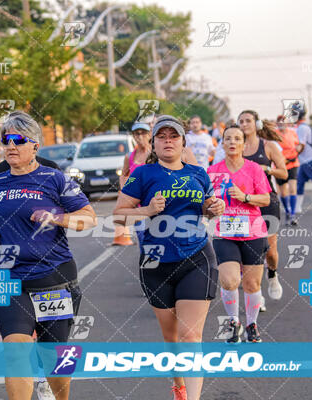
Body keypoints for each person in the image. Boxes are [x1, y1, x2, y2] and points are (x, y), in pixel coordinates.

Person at [0, 111, 97, 400]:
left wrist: (58, 218)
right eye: (6, 139)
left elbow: (89, 218)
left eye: (19, 140)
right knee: (15, 351)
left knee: (54, 359)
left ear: (35, 146)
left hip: (53, 279)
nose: (11, 145)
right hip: (10, 280)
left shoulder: (53, 179)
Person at [113, 115, 225, 400]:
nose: (167, 141)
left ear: (182, 142)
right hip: (155, 262)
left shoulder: (198, 173)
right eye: (161, 137)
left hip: (196, 257)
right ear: (154, 143)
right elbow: (119, 215)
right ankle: (178, 384)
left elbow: (207, 208)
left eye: (173, 136)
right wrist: (147, 210)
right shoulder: (143, 174)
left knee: (190, 337)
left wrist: (214, 208)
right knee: (172, 338)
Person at [207, 125, 272, 343]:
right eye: (228, 139)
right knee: (229, 280)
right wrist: (209, 209)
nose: (232, 142)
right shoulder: (213, 171)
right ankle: (234, 322)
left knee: (252, 285)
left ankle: (252, 324)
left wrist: (245, 197)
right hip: (224, 233)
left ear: (244, 144)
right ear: (222, 144)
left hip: (253, 232)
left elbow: (266, 199)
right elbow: (205, 204)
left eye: (237, 138)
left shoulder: (254, 169)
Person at [239, 110, 288, 302]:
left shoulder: (268, 146)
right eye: (241, 121)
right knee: (249, 249)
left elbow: (284, 173)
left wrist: (267, 169)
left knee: (269, 250)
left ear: (256, 124)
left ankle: (273, 274)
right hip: (244, 203)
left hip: (267, 200)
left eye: (248, 121)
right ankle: (255, 293)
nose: (244, 124)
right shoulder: (237, 147)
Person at [275, 115, 302, 225]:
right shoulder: (274, 134)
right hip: (280, 165)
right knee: (283, 192)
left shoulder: (293, 133)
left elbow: (298, 145)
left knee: (293, 189)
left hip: (293, 163)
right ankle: (287, 211)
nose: (282, 124)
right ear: (277, 124)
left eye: (284, 122)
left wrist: (298, 149)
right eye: (280, 122)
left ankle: (292, 215)